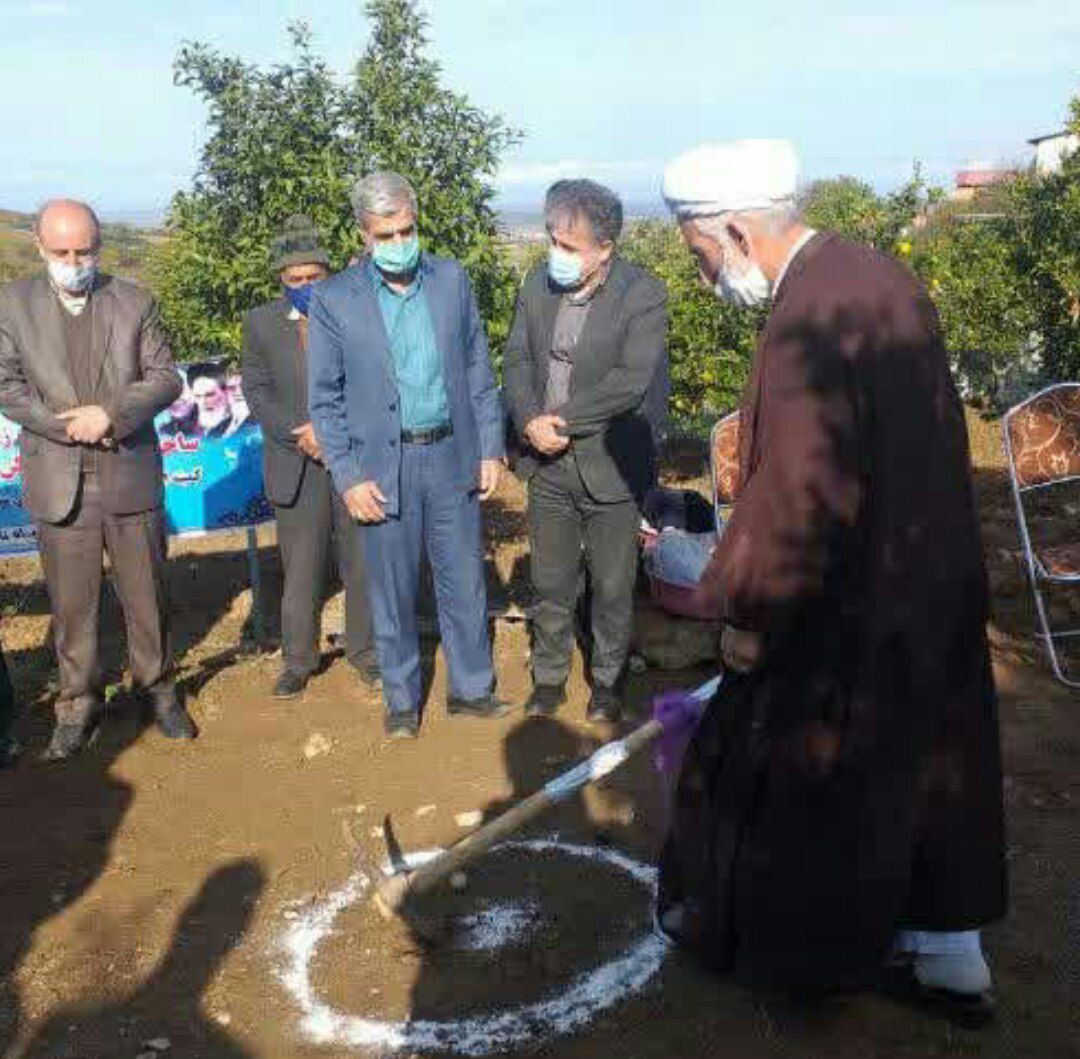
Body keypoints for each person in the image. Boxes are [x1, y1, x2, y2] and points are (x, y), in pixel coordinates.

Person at [657, 140, 1006, 1015]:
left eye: (702, 259)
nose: (706, 280)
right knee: (929, 761)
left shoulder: (807, 316)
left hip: (847, 596)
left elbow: (800, 485)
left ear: (734, 229)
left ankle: (812, 960)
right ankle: (949, 960)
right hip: (925, 572)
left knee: (815, 773)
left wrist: (750, 611)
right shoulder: (879, 277)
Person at [308, 172, 507, 739]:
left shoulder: (450, 280)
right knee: (391, 590)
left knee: (463, 577)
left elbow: (476, 366)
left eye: (407, 229)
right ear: (364, 236)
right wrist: (347, 477)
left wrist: (489, 446)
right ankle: (401, 699)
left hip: (450, 454)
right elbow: (324, 397)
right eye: (385, 234)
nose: (399, 243)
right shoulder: (334, 299)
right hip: (382, 468)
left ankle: (472, 688)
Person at [0, 199, 196, 759]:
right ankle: (78, 703)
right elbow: (7, 385)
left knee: (146, 595)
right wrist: (67, 426)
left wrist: (111, 414)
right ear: (39, 247)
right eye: (61, 251)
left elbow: (165, 377)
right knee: (72, 604)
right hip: (59, 480)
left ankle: (156, 690)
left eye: (84, 251)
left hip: (128, 471)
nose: (73, 261)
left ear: (100, 247)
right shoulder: (11, 306)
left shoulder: (134, 301)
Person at [503, 180, 667, 723]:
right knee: (550, 581)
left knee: (614, 586)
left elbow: (631, 379)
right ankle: (548, 678)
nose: (557, 253)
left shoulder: (642, 294)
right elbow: (519, 361)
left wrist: (563, 421)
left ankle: (607, 683)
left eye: (569, 245)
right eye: (553, 238)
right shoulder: (536, 285)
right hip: (547, 462)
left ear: (605, 249)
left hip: (610, 464)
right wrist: (529, 421)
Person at [241, 215, 379, 698]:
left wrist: (336, 432)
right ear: (282, 280)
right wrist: (297, 431)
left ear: (328, 275)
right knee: (300, 568)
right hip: (296, 462)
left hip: (354, 461)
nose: (303, 287)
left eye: (313, 278)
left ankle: (366, 653)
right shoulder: (260, 323)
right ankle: (298, 660)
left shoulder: (359, 314)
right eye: (293, 280)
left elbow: (375, 382)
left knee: (361, 563)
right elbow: (255, 388)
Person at [186, 362, 233, 439]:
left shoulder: (242, 426)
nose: (203, 402)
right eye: (198, 396)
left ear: (226, 392)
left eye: (210, 395)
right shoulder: (181, 427)